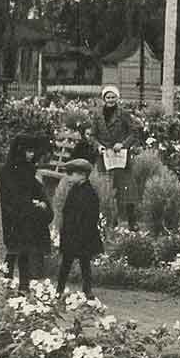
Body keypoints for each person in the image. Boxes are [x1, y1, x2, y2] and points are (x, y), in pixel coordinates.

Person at [0, 135, 53, 293]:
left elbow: (34, 189)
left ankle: (23, 285)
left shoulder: (27, 170)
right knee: (15, 250)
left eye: (33, 152)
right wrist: (33, 205)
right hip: (14, 216)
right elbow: (13, 196)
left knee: (22, 251)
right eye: (28, 151)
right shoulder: (9, 172)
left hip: (26, 216)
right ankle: (8, 281)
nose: (31, 155)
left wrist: (41, 202)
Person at [89, 85, 138, 228]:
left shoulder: (123, 114)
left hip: (121, 158)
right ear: (104, 99)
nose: (110, 100)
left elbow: (133, 133)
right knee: (106, 188)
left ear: (117, 98)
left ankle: (132, 221)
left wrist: (123, 144)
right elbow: (92, 135)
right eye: (108, 97)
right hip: (105, 157)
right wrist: (98, 146)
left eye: (113, 97)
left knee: (127, 189)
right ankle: (110, 221)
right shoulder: (98, 115)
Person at [57, 158, 102, 298]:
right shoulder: (73, 190)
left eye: (72, 174)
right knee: (66, 262)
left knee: (84, 262)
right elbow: (67, 211)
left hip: (83, 234)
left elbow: (91, 217)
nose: (69, 177)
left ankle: (87, 289)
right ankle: (59, 288)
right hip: (71, 233)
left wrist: (84, 232)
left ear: (82, 175)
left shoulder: (90, 193)